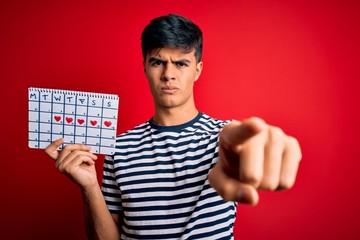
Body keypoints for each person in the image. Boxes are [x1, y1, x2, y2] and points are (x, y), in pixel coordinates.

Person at [45, 14, 302, 240]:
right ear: (145, 67)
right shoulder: (119, 148)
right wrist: (89, 187)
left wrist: (254, 146)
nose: (169, 74)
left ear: (197, 70)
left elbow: (235, 142)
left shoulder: (221, 138)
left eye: (181, 63)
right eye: (158, 62)